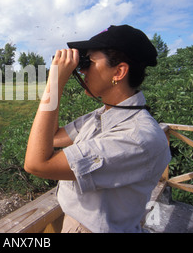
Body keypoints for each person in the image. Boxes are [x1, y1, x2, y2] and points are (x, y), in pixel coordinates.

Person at [24, 25, 171, 233]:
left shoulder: (137, 137)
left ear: (119, 72)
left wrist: (54, 83)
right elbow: (54, 138)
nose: (82, 70)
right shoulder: (101, 115)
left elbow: (36, 164)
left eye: (89, 63)